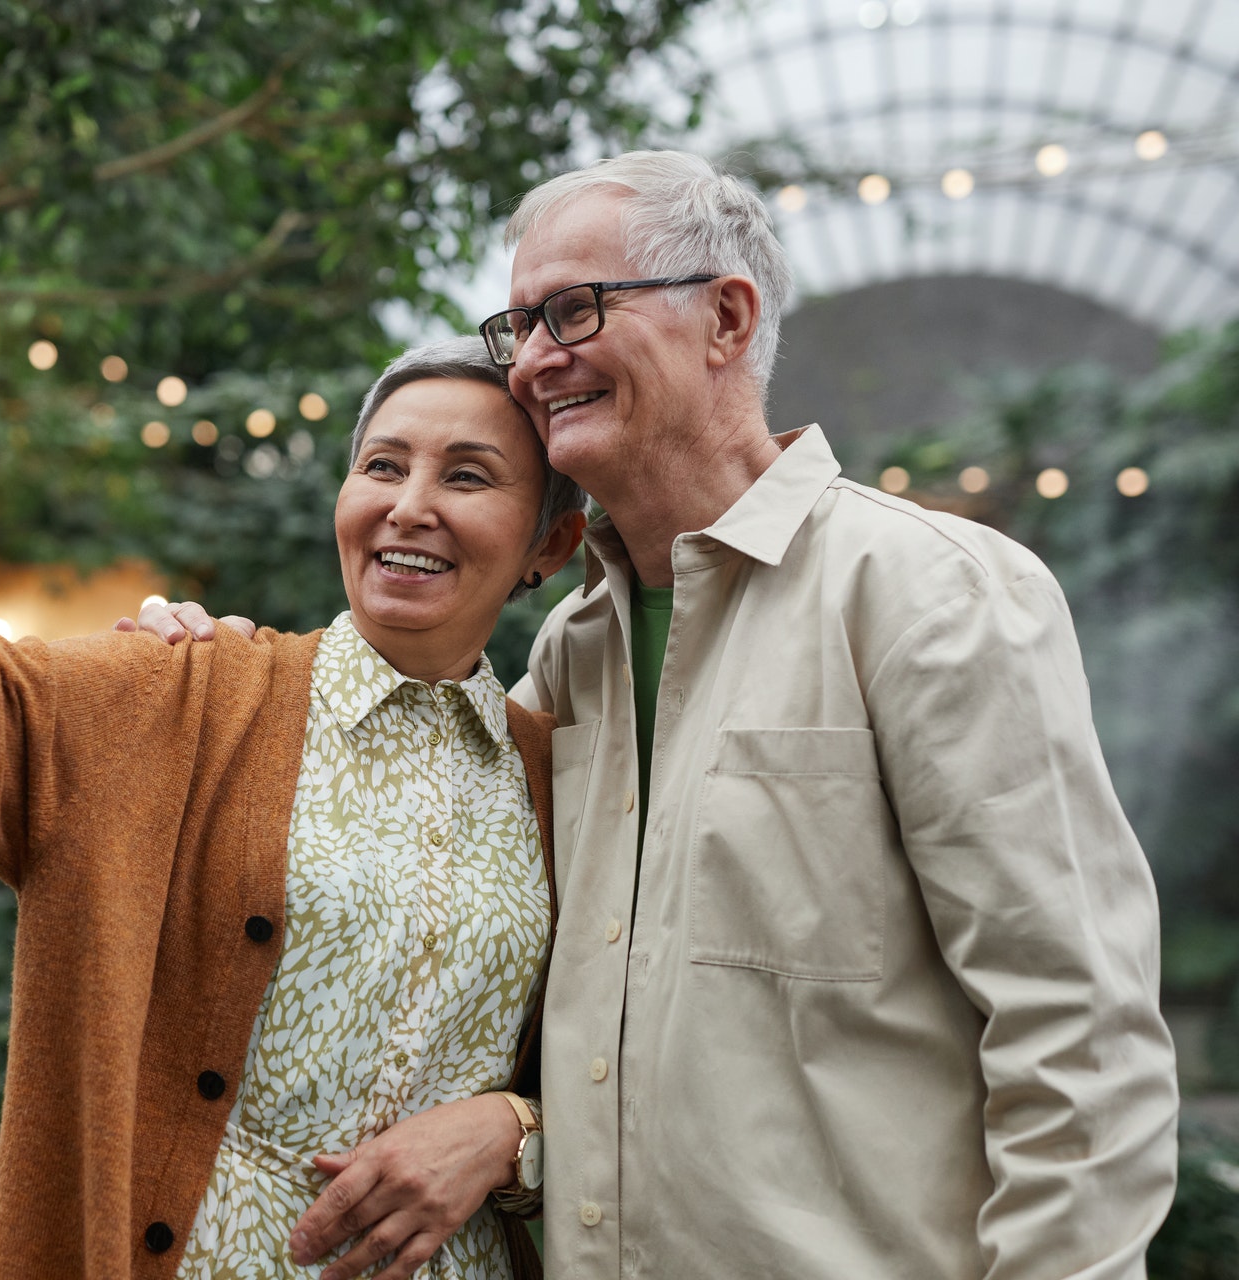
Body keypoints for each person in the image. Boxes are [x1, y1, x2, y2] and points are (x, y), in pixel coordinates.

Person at [134, 150, 1180, 1279]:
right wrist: (220, 676)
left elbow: (1080, 1042)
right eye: (520, 324)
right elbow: (507, 983)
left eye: (574, 310)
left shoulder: (930, 593)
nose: (535, 360)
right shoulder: (565, 662)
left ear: (727, 318)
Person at [0, 208, 591, 1279]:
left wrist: (517, 1130)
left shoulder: (569, 777)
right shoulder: (175, 700)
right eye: (381, 465)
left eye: (467, 476)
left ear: (549, 540)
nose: (409, 506)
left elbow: (629, 1067)